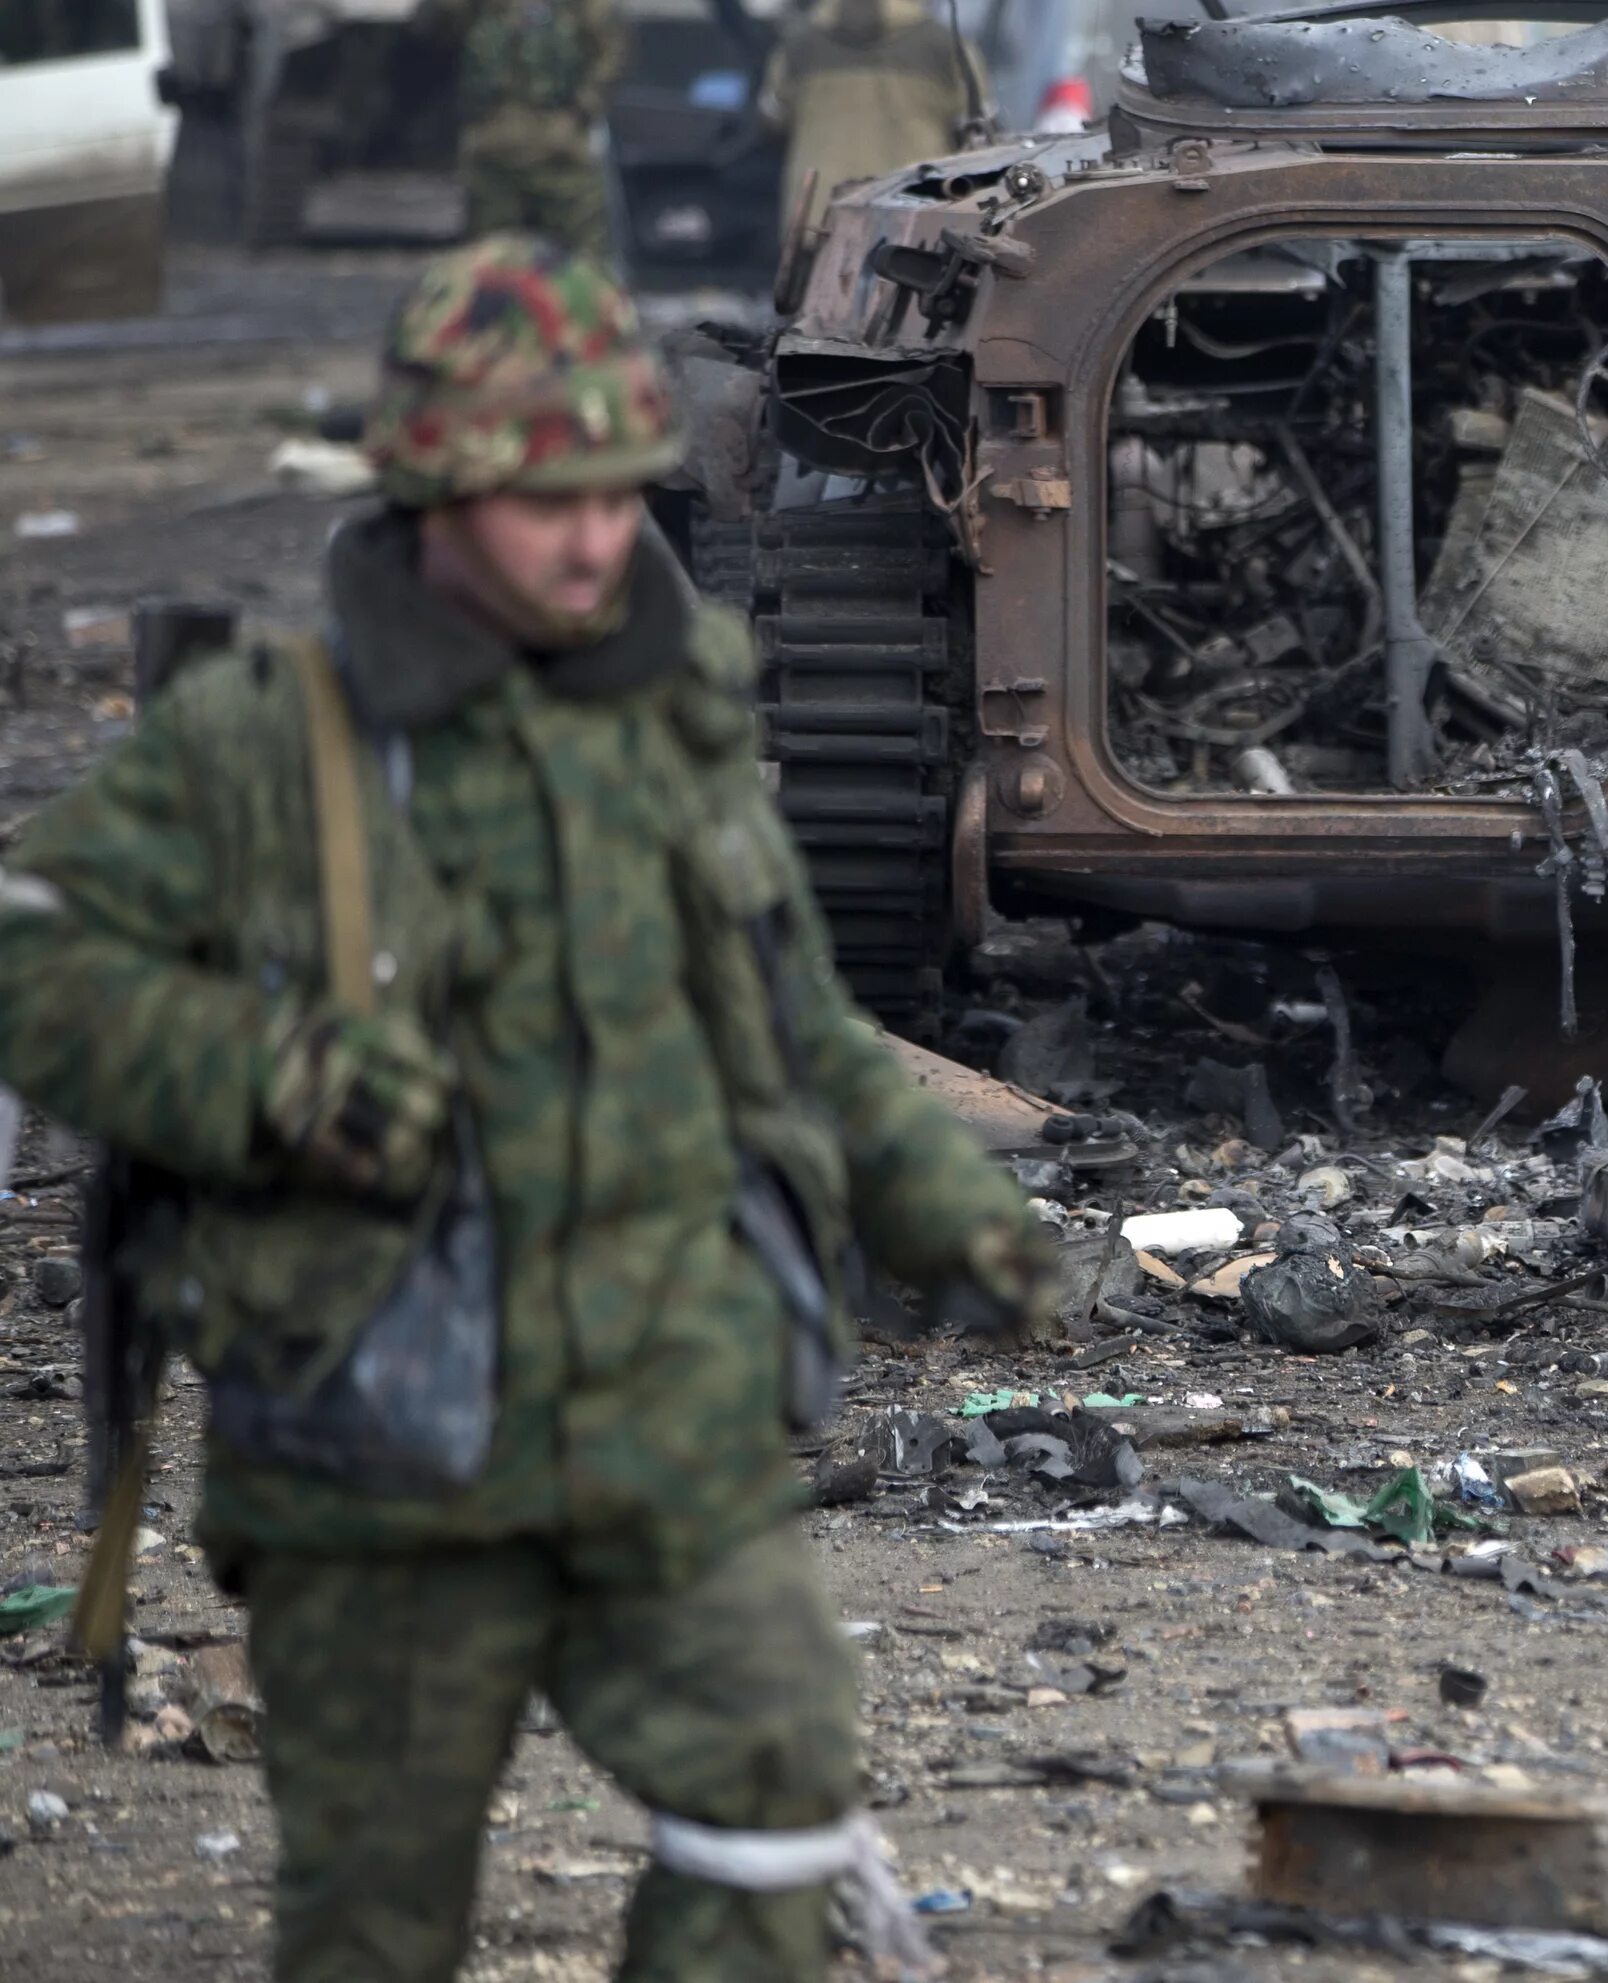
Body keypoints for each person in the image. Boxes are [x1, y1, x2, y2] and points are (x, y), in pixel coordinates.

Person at [0, 235, 1054, 1982]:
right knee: (381, 1904)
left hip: (658, 1411)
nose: (591, 536)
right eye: (539, 495)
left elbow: (778, 1005)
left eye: (607, 490)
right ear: (432, 492)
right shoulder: (275, 743)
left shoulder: (673, 720)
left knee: (776, 1799)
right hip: (378, 1445)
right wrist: (262, 1077)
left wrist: (942, 1208)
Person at [761, 0, 986, 242]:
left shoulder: (799, 42)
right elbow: (978, 127)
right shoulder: (945, 43)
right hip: (915, 212)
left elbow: (773, 116)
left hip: (821, 214)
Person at [421, 0, 626, 259]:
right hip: (494, 145)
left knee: (586, 261)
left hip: (560, 147)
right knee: (493, 266)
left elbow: (613, 49)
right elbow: (436, 27)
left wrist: (582, 108)